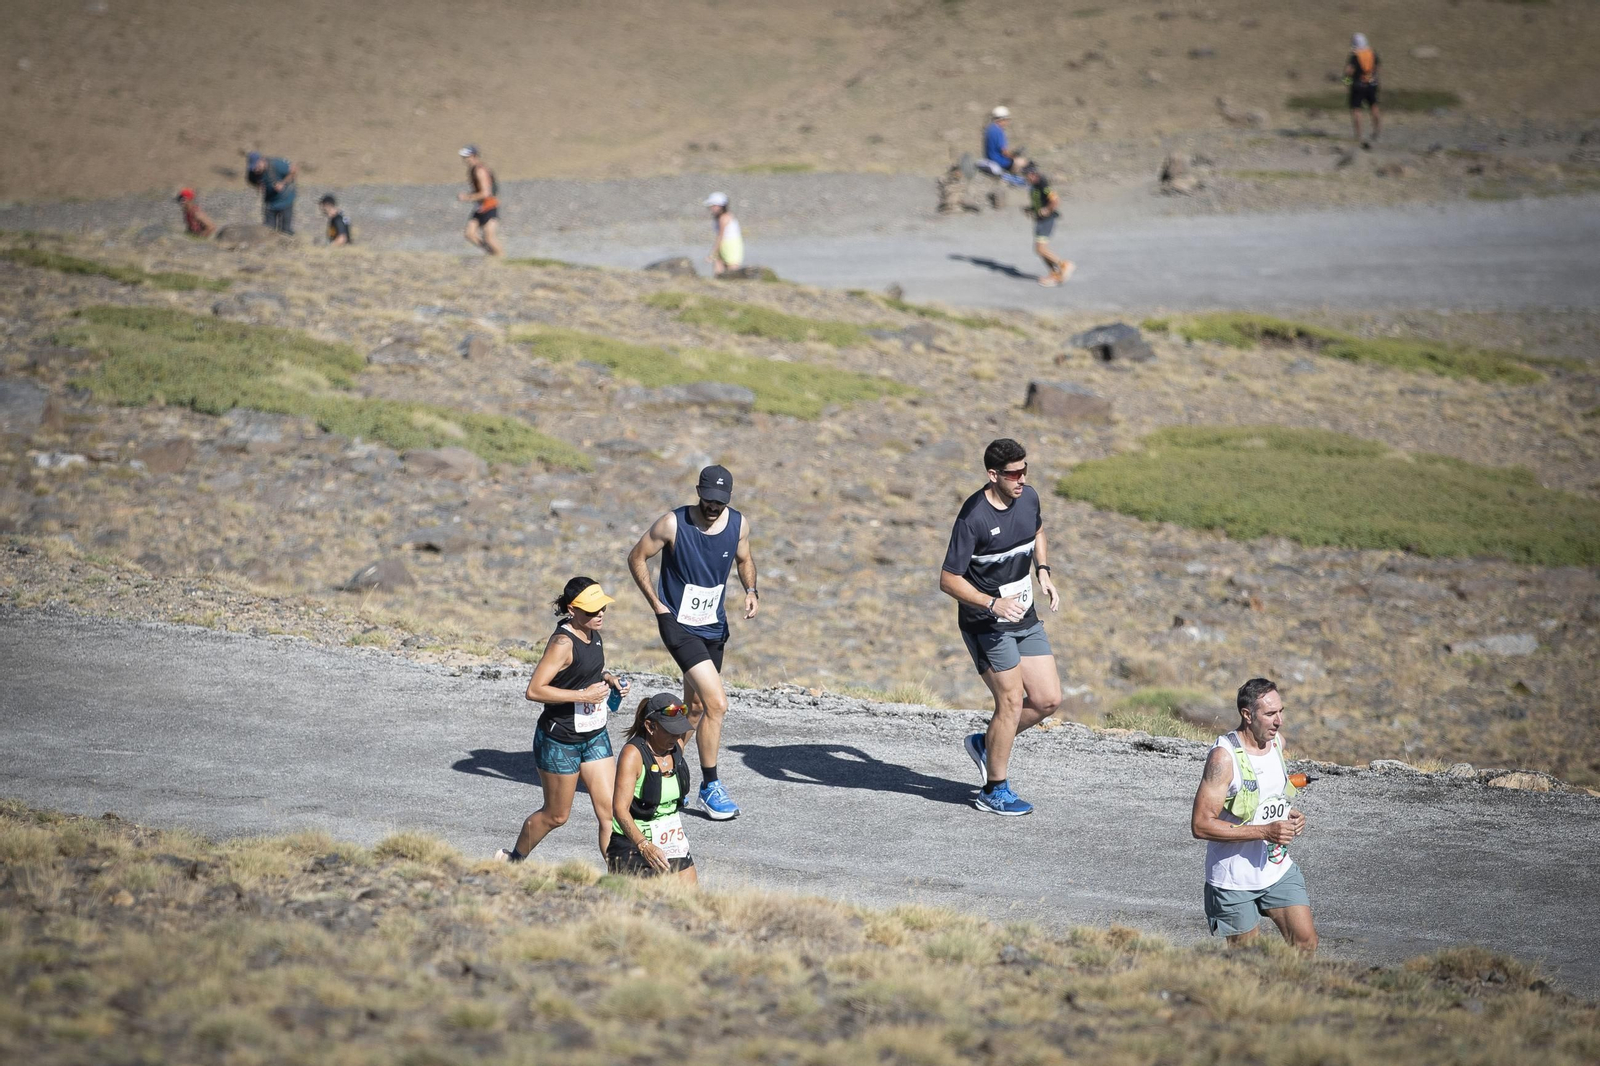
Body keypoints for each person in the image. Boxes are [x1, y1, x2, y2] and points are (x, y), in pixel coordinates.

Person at [626, 465, 758, 820]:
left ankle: (664, 773)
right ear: (698, 492)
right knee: (717, 704)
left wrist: (751, 590)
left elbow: (745, 559)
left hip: (714, 627)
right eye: (708, 500)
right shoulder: (672, 523)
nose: (714, 507)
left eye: (720, 502)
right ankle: (709, 786)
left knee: (696, 708)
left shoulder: (738, 525)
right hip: (679, 626)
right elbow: (637, 556)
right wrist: (657, 605)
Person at [939, 438, 1063, 816]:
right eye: (1013, 473)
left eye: (1025, 470)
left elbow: (1037, 531)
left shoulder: (1028, 498)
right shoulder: (973, 517)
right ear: (993, 475)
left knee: (1046, 700)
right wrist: (993, 603)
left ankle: (986, 742)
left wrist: (1042, 570)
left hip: (1023, 616)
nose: (1021, 478)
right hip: (986, 622)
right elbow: (948, 580)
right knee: (1009, 701)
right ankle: (993, 790)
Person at [494, 578, 630, 865]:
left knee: (612, 813)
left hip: (594, 735)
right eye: (592, 610)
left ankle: (620, 879)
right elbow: (534, 690)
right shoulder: (562, 643)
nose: (600, 614)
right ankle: (513, 859)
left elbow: (589, 669)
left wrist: (608, 679)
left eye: (602, 607)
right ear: (572, 609)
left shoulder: (593, 632)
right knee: (557, 815)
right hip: (559, 740)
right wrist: (583, 695)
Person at [1190, 678, 1319, 953]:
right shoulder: (1223, 759)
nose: (1279, 721)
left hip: (1276, 869)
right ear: (1247, 715)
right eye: (1270, 714)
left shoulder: (1277, 745)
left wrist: (1291, 816)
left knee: (1305, 944)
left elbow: (1270, 797)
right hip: (1233, 880)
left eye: (1281, 712)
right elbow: (1201, 826)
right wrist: (1265, 832)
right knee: (1247, 961)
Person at [608, 693, 698, 882]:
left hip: (673, 840)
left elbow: (698, 711)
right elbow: (619, 810)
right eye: (670, 731)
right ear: (650, 726)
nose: (676, 736)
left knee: (692, 904)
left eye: (679, 730)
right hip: (634, 843)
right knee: (641, 908)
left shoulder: (676, 746)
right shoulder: (633, 754)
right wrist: (644, 845)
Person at [1024, 166, 1073, 287]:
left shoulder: (1043, 185)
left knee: (1040, 249)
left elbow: (1055, 200)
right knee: (1040, 250)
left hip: (1047, 220)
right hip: (1040, 220)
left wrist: (1047, 209)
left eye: (1027, 175)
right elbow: (1039, 202)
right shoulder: (1034, 187)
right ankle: (1054, 273)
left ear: (1033, 174)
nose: (1026, 178)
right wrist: (1031, 209)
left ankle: (1063, 265)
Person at [457, 145, 503, 256]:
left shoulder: (479, 170)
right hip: (480, 206)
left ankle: (501, 258)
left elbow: (485, 193)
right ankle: (492, 254)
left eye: (467, 156)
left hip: (489, 205)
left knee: (489, 237)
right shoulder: (473, 170)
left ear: (474, 156)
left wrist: (467, 197)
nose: (465, 159)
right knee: (470, 233)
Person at [246, 151, 298, 234]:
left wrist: (282, 183)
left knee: (285, 230)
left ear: (262, 160)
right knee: (268, 229)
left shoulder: (276, 164)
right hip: (270, 202)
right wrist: (258, 185)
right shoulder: (253, 172)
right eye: (253, 168)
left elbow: (294, 170)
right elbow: (250, 180)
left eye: (257, 166)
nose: (256, 169)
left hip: (285, 199)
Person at [1345, 33, 1381, 149]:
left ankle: (1358, 134)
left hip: (1358, 85)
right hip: (1371, 83)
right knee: (1374, 106)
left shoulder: (1355, 55)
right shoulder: (1372, 53)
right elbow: (1377, 67)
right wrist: (1373, 78)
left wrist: (1346, 81)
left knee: (1356, 109)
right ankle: (1377, 130)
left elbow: (1349, 70)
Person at [981, 106, 1028, 186]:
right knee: (1023, 162)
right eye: (1006, 120)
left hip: (989, 159)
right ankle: (1015, 181)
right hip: (998, 161)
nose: (1007, 122)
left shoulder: (989, 129)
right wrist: (1014, 156)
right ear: (1001, 119)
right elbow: (1004, 152)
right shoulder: (999, 131)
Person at [703, 192, 744, 275]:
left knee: (732, 271)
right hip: (724, 244)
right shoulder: (718, 218)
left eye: (713, 206)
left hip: (731, 245)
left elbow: (720, 236)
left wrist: (713, 253)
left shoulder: (724, 217)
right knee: (718, 270)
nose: (711, 208)